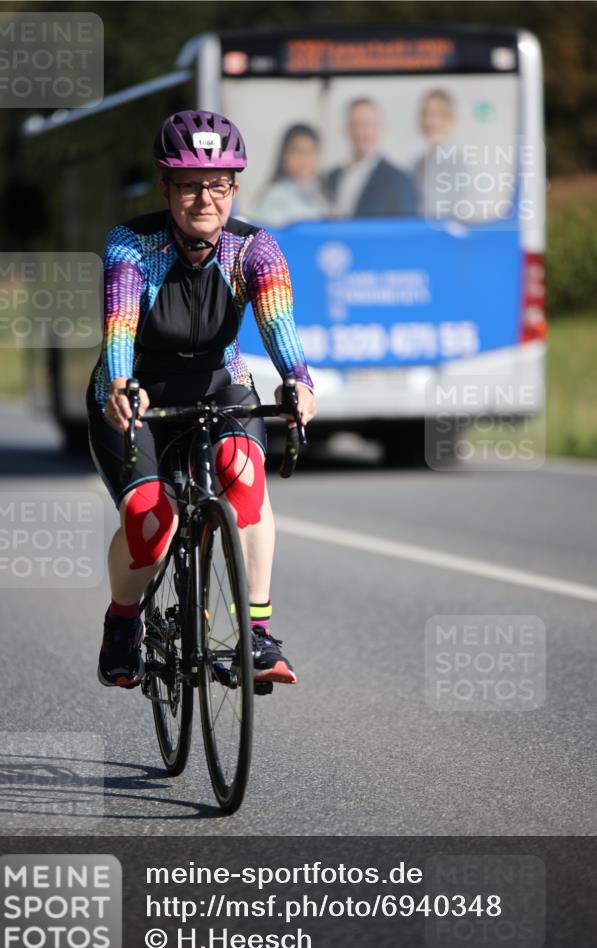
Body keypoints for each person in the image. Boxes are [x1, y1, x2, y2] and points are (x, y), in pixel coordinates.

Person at [86, 109, 316, 690]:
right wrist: (118, 385)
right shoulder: (133, 245)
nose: (204, 199)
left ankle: (257, 633)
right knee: (149, 518)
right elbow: (119, 326)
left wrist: (298, 381)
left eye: (218, 185)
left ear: (234, 188)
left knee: (245, 475)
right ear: (166, 188)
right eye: (189, 186)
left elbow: (279, 323)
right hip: (135, 392)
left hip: (218, 385)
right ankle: (122, 622)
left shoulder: (255, 249)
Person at [327, 97, 416, 217]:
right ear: (347, 129)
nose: (362, 132)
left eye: (368, 125)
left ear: (380, 129)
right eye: (355, 125)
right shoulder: (333, 176)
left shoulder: (398, 180)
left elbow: (404, 230)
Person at [252, 123, 329, 227]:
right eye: (298, 152)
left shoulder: (323, 194)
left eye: (311, 151)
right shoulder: (274, 196)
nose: (305, 159)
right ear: (284, 156)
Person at [411, 88, 459, 217]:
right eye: (425, 114)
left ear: (450, 119)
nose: (429, 121)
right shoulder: (416, 163)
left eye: (436, 114)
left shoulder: (463, 164)